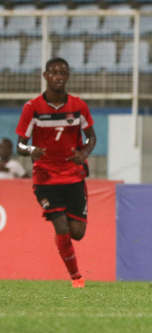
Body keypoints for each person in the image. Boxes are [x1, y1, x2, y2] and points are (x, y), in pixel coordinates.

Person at [15, 57, 96, 288]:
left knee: (77, 232)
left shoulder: (78, 106)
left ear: (68, 76)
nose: (58, 76)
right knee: (60, 226)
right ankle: (76, 277)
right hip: (46, 177)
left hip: (73, 175)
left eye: (62, 72)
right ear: (45, 76)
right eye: (53, 72)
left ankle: (72, 264)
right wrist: (31, 150)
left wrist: (84, 154)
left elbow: (92, 137)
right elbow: (20, 144)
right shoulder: (33, 108)